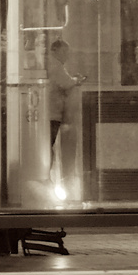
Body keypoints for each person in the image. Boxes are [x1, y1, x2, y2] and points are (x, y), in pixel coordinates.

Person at [47, 38, 86, 178]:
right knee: (47, 147)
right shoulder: (56, 66)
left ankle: (47, 175)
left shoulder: (54, 65)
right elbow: (66, 83)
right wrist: (78, 80)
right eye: (64, 52)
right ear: (54, 51)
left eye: (67, 52)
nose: (66, 55)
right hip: (52, 113)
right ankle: (46, 175)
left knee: (48, 146)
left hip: (52, 113)